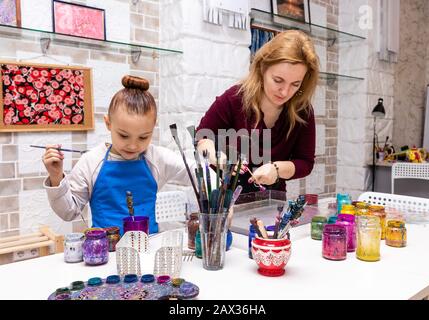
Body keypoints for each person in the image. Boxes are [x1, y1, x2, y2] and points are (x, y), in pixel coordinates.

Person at [42, 75, 199, 234]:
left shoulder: (157, 158)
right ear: (108, 123)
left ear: (153, 128)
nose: (133, 145)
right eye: (124, 135)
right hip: (107, 253)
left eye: (143, 137)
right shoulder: (90, 161)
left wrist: (219, 197)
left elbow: (198, 173)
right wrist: (56, 177)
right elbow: (68, 212)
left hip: (149, 248)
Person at [196, 30, 320, 195]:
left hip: (271, 203)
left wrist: (276, 169)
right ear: (262, 68)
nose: (284, 92)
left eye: (295, 84)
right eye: (278, 80)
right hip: (224, 203)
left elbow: (305, 163)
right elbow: (202, 137)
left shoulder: (302, 111)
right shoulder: (234, 99)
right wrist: (218, 159)